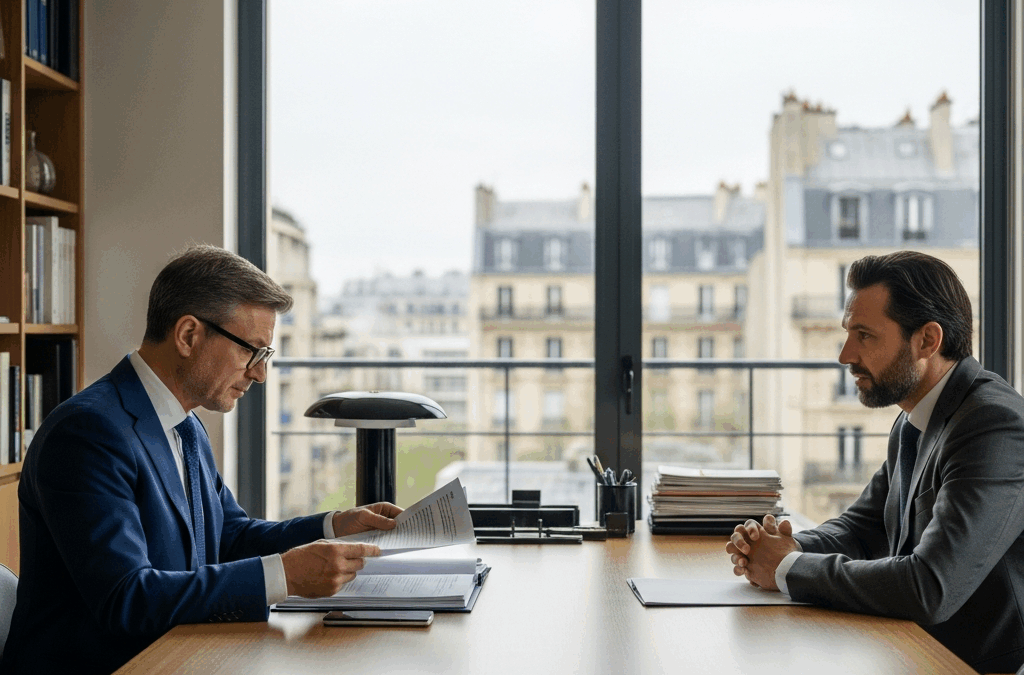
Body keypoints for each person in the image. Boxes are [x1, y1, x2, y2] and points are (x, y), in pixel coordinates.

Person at [1, 245, 402, 674]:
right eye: (252, 351)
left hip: (176, 656)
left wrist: (333, 527)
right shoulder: (86, 433)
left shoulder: (185, 424)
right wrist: (283, 576)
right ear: (189, 335)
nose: (259, 374)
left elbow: (228, 537)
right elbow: (126, 598)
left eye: (265, 356)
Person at [725, 250, 1024, 673]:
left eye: (864, 336)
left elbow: (930, 586)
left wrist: (787, 567)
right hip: (912, 650)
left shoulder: (993, 425)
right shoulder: (913, 418)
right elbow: (862, 529)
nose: (845, 355)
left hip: (975, 666)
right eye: (849, 334)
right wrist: (781, 547)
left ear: (927, 340)